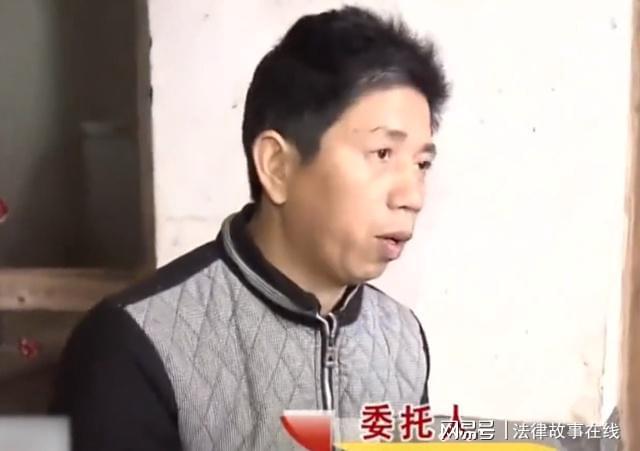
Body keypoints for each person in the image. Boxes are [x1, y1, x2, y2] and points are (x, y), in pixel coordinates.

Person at [50, 5, 449, 450]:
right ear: (277, 166)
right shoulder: (131, 344)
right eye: (382, 154)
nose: (412, 195)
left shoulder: (401, 338)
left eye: (422, 164)